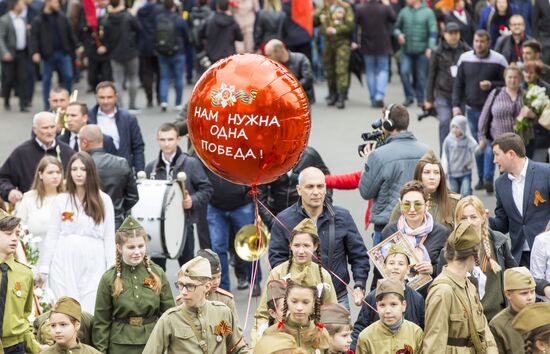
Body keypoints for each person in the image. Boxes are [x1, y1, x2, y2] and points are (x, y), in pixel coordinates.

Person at [269, 167, 370, 309]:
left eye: (320, 186)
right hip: (299, 301)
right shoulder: (284, 220)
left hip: (336, 297)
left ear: (325, 188)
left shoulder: (342, 216)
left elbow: (359, 255)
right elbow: (277, 260)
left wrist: (360, 284)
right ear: (299, 190)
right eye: (310, 187)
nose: (316, 192)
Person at [37, 152, 115, 313]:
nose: (78, 173)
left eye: (83, 169)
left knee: (90, 307)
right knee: (65, 307)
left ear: (91, 171)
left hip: (94, 260)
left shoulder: (104, 200)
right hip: (63, 259)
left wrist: (113, 269)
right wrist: (44, 267)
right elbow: (52, 235)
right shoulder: (61, 200)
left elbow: (109, 238)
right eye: (74, 169)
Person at [92, 215, 174, 354]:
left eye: (140, 246)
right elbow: (101, 322)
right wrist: (100, 351)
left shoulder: (157, 273)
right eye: (131, 247)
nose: (137, 252)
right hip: (120, 345)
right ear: (119, 248)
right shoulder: (109, 278)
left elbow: (170, 314)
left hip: (152, 342)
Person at [143, 256, 249, 353]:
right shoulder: (169, 319)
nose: (183, 291)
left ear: (207, 287)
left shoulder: (222, 312)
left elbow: (238, 349)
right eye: (180, 285)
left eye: (190, 286)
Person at [438, 195, 518, 321]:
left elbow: (514, 273)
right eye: (463, 218)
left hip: (497, 318)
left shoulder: (498, 241)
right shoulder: (448, 252)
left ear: (483, 218)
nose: (468, 222)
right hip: (468, 322)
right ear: (456, 221)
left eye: (473, 217)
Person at [423, 221, 498, 353]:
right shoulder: (442, 291)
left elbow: (483, 327)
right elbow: (434, 343)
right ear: (474, 255)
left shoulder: (469, 285)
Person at [145, 122, 213, 268]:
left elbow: (207, 189)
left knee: (187, 269)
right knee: (156, 272)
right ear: (158, 140)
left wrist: (192, 200)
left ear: (178, 139)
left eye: (170, 139)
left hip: (184, 224)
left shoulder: (191, 163)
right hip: (158, 227)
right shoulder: (151, 168)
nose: (166, 144)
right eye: (162, 140)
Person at [359, 104, 428, 245]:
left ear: (388, 123)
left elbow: (366, 191)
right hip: (420, 226)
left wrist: (367, 163)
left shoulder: (378, 156)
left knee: (386, 267)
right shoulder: (426, 152)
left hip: (386, 228)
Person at [255, 219, 337, 335]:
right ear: (290, 245)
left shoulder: (323, 275)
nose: (301, 251)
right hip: (282, 336)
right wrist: (257, 343)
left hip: (313, 338)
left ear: (315, 246)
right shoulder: (278, 273)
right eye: (297, 245)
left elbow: (332, 314)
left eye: (306, 245)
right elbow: (262, 314)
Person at [452, 30, 508, 191]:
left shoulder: (499, 60)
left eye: (482, 41)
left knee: (490, 143)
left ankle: (489, 178)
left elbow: (507, 83)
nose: (479, 44)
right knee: (477, 145)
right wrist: (456, 105)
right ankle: (482, 178)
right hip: (472, 108)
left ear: (489, 42)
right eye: (477, 41)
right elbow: (458, 84)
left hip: (492, 110)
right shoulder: (465, 58)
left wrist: (491, 84)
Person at [490, 132, 550, 266]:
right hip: (520, 258)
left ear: (511, 154)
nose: (494, 160)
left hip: (547, 254)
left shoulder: (546, 172)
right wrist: (485, 220)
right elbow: (502, 224)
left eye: (497, 154)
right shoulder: (500, 184)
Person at [351, 244, 425, 351]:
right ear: (384, 267)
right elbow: (360, 326)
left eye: (400, 264)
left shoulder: (417, 298)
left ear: (408, 269)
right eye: (391, 263)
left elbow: (424, 328)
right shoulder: (372, 297)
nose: (395, 267)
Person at [381, 181, 449, 289]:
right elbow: (380, 270)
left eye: (417, 204)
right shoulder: (390, 232)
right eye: (407, 204)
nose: (412, 209)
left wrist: (433, 269)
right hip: (398, 297)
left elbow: (449, 268)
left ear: (426, 205)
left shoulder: (441, 233)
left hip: (431, 295)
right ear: (401, 204)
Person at [0, 112, 74, 204]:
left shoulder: (67, 151)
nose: (50, 131)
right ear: (35, 129)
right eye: (45, 128)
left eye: (52, 127)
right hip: (31, 208)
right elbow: (3, 178)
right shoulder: (21, 152)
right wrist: (10, 191)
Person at [0, 209, 44, 354]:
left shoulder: (25, 274)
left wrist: (36, 348)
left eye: (17, 234)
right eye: (8, 234)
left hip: (15, 347)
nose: (14, 238)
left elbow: (24, 317)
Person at [80, 124, 139, 229]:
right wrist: (118, 210)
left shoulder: (79, 166)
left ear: (84, 142)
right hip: (116, 222)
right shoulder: (121, 163)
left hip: (87, 222)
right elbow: (133, 196)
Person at [257, 145, 329, 229]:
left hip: (306, 217)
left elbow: (326, 180)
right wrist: (272, 223)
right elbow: (259, 195)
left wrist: (324, 208)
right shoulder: (268, 158)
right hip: (276, 215)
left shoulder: (310, 155)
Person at [477, 65, 524, 193]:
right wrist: (481, 136)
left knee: (515, 175)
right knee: (504, 173)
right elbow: (484, 115)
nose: (512, 80)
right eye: (510, 77)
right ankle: (493, 185)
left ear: (520, 79)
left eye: (515, 77)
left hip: (519, 143)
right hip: (498, 141)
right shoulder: (496, 93)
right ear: (505, 78)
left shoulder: (525, 95)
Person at [390, 150, 460, 232]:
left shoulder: (454, 202)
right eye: (427, 172)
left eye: (436, 172)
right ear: (419, 175)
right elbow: (391, 232)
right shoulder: (407, 202)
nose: (432, 177)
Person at [425, 22, 470, 150]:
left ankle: (459, 156)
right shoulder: (437, 52)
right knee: (445, 121)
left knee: (460, 125)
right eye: (451, 33)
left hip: (461, 95)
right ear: (444, 35)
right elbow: (431, 76)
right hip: (443, 94)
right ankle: (444, 153)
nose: (454, 36)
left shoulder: (466, 50)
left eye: (456, 33)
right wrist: (429, 99)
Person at [87, 81, 146, 172]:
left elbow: (138, 147)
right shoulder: (88, 118)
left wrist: (140, 171)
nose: (106, 101)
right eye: (102, 98)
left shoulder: (128, 118)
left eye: (109, 97)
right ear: (96, 97)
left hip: (123, 170)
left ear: (116, 97)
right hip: (96, 170)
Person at [355, 278, 424, 354]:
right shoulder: (366, 337)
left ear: (403, 305)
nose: (387, 311)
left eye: (393, 304)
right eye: (382, 305)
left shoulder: (416, 333)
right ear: (376, 306)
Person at [29, 0, 76, 110]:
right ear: (48, 2)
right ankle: (48, 104)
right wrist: (35, 52)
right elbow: (34, 37)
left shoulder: (62, 17)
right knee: (47, 79)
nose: (58, 4)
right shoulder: (38, 20)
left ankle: (67, 101)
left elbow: (70, 33)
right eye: (55, 2)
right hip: (47, 55)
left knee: (68, 76)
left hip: (63, 52)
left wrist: (76, 46)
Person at [262, 280, 331, 353]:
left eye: (305, 302)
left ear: (313, 303)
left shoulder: (321, 332)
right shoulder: (271, 333)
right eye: (294, 301)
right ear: (287, 301)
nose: (299, 308)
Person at [98, 0, 141, 110]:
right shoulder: (128, 16)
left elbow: (105, 38)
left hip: (115, 53)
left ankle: (120, 106)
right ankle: (132, 105)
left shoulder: (106, 19)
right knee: (133, 78)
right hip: (131, 52)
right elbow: (139, 29)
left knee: (117, 81)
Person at [393, 0, 437, 107]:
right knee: (404, 72)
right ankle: (409, 96)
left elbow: (433, 31)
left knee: (421, 76)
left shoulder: (428, 12)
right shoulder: (404, 12)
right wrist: (399, 34)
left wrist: (430, 47)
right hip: (406, 50)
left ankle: (421, 99)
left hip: (422, 51)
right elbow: (396, 27)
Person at [15, 156, 63, 252]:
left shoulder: (68, 198)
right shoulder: (29, 199)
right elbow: (18, 230)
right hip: (35, 258)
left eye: (58, 172)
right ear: (40, 175)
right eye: (50, 172)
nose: (55, 176)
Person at [353, 0, 396, 108]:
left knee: (370, 71)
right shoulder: (384, 8)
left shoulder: (361, 9)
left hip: (367, 44)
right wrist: (387, 4)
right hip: (383, 44)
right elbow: (393, 18)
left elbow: (355, 25)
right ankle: (379, 96)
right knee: (383, 70)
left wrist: (354, 40)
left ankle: (373, 97)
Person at [314, 0, 354, 109]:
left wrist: (335, 30)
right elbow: (313, 21)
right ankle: (332, 94)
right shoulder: (323, 7)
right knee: (329, 69)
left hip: (342, 43)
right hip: (328, 43)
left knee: (341, 70)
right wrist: (318, 15)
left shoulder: (345, 7)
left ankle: (341, 96)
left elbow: (350, 25)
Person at [489, 267, 536, 354]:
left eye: (532, 292)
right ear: (508, 294)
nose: (530, 298)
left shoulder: (543, 317)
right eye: (524, 293)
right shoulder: (498, 325)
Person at [156, 0, 188, 112]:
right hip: (178, 52)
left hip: (162, 52)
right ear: (174, 6)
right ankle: (178, 103)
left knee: (164, 78)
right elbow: (186, 35)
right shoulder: (179, 19)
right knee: (178, 78)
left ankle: (163, 101)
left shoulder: (158, 18)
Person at [0, 0, 31, 112]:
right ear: (15, 5)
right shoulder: (4, 20)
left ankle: (23, 103)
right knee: (8, 79)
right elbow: (1, 38)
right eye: (21, 4)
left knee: (23, 78)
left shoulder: (23, 19)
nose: (23, 6)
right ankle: (6, 99)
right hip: (10, 53)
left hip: (22, 53)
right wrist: (4, 52)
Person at [196, 249, 240, 323]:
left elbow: (237, 330)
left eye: (219, 277)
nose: (216, 282)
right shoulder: (186, 299)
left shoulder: (226, 300)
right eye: (212, 278)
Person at [264, 39, 315, 103]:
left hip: (301, 99)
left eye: (269, 55)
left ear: (279, 51)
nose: (268, 58)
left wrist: (289, 88)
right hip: (282, 100)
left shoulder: (301, 58)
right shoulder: (272, 65)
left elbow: (308, 79)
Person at [76, 0, 111, 92]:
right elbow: (80, 27)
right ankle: (93, 86)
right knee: (93, 71)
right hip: (92, 45)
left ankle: (106, 89)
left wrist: (106, 46)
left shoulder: (110, 9)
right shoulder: (87, 9)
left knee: (106, 72)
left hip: (107, 46)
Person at [520, 60, 550, 162]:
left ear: (537, 74)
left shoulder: (546, 89)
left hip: (541, 136)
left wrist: (535, 116)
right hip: (523, 137)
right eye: (525, 72)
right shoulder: (519, 87)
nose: (528, 75)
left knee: (538, 168)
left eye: (531, 73)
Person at [442, 115, 479, 196]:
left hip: (465, 172)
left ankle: (467, 205)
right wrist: (445, 171)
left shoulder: (468, 139)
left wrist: (481, 147)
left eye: (457, 127)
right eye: (453, 127)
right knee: (454, 194)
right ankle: (456, 208)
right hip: (453, 173)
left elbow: (475, 149)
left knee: (466, 192)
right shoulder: (448, 140)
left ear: (463, 128)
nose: (454, 129)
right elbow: (445, 156)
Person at [136, 0, 162, 108]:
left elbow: (137, 28)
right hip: (158, 45)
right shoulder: (159, 10)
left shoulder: (140, 11)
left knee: (147, 73)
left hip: (144, 45)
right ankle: (159, 98)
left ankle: (149, 98)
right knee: (159, 73)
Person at [252, 279, 286, 344]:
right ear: (273, 313)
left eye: (291, 308)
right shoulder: (265, 333)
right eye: (284, 310)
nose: (289, 313)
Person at [533, 0, 550, 64]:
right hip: (544, 37)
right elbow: (535, 21)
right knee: (545, 62)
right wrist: (536, 38)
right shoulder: (540, 1)